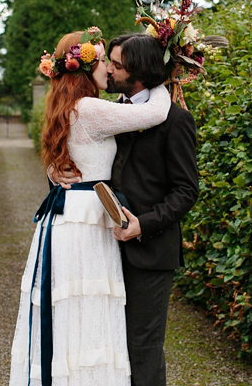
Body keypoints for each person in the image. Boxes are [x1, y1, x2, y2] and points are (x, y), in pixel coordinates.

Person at [9, 28, 172, 386]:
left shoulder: (67, 107)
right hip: (86, 221)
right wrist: (164, 71)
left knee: (69, 310)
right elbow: (156, 112)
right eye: (102, 61)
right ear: (84, 69)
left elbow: (67, 159)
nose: (109, 70)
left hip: (66, 216)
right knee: (88, 310)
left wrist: (54, 172)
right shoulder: (91, 110)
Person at [55, 33, 200, 386]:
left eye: (117, 66)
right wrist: (55, 170)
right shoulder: (108, 112)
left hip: (149, 251)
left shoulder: (175, 120)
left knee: (142, 347)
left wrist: (144, 224)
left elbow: (186, 191)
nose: (110, 70)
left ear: (139, 73)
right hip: (102, 249)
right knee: (107, 345)